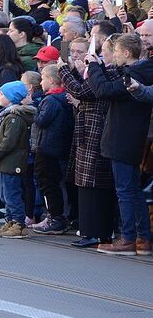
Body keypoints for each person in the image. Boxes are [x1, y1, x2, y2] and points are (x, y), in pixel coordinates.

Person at [86, 33, 153, 255]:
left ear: (126, 53)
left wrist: (94, 66)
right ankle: (142, 238)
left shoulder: (134, 75)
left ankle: (128, 238)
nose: (113, 56)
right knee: (133, 189)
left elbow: (104, 90)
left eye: (115, 52)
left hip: (123, 137)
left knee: (125, 190)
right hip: (130, 136)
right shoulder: (141, 71)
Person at [57, 38, 116, 248]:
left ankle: (95, 232)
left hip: (95, 129)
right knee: (84, 181)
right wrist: (74, 71)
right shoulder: (100, 70)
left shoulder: (107, 71)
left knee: (92, 181)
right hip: (87, 128)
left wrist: (63, 71)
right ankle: (90, 230)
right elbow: (81, 89)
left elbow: (84, 91)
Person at [28, 65, 75, 234]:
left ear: (51, 80)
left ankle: (55, 218)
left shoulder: (51, 100)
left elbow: (41, 120)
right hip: (57, 147)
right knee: (53, 183)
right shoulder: (64, 98)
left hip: (47, 148)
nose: (40, 82)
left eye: (43, 78)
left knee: (47, 183)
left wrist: (32, 107)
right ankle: (56, 216)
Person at [0, 81, 36, 239]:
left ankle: (18, 223)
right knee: (5, 194)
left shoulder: (14, 118)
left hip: (11, 161)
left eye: (2, 94)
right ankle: (9, 220)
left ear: (11, 97)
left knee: (11, 193)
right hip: (5, 162)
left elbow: (8, 142)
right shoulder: (6, 115)